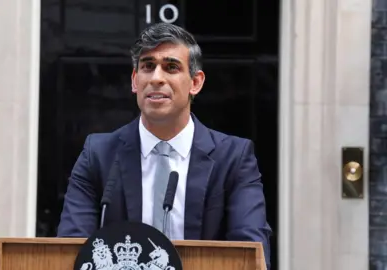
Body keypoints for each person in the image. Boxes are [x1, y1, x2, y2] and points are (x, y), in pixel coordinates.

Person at [57, 22, 272, 268]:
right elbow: (70, 249)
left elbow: (250, 255)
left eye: (171, 67)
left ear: (195, 83)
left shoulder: (234, 158)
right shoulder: (99, 154)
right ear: (135, 80)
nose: (157, 78)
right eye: (148, 66)